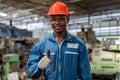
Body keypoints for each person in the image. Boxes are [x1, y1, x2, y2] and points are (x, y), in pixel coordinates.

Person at [27, 1, 92, 80]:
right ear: (50, 22)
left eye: (61, 19)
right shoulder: (41, 46)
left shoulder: (79, 45)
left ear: (67, 20)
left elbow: (86, 74)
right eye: (53, 19)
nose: (57, 22)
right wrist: (38, 67)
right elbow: (31, 72)